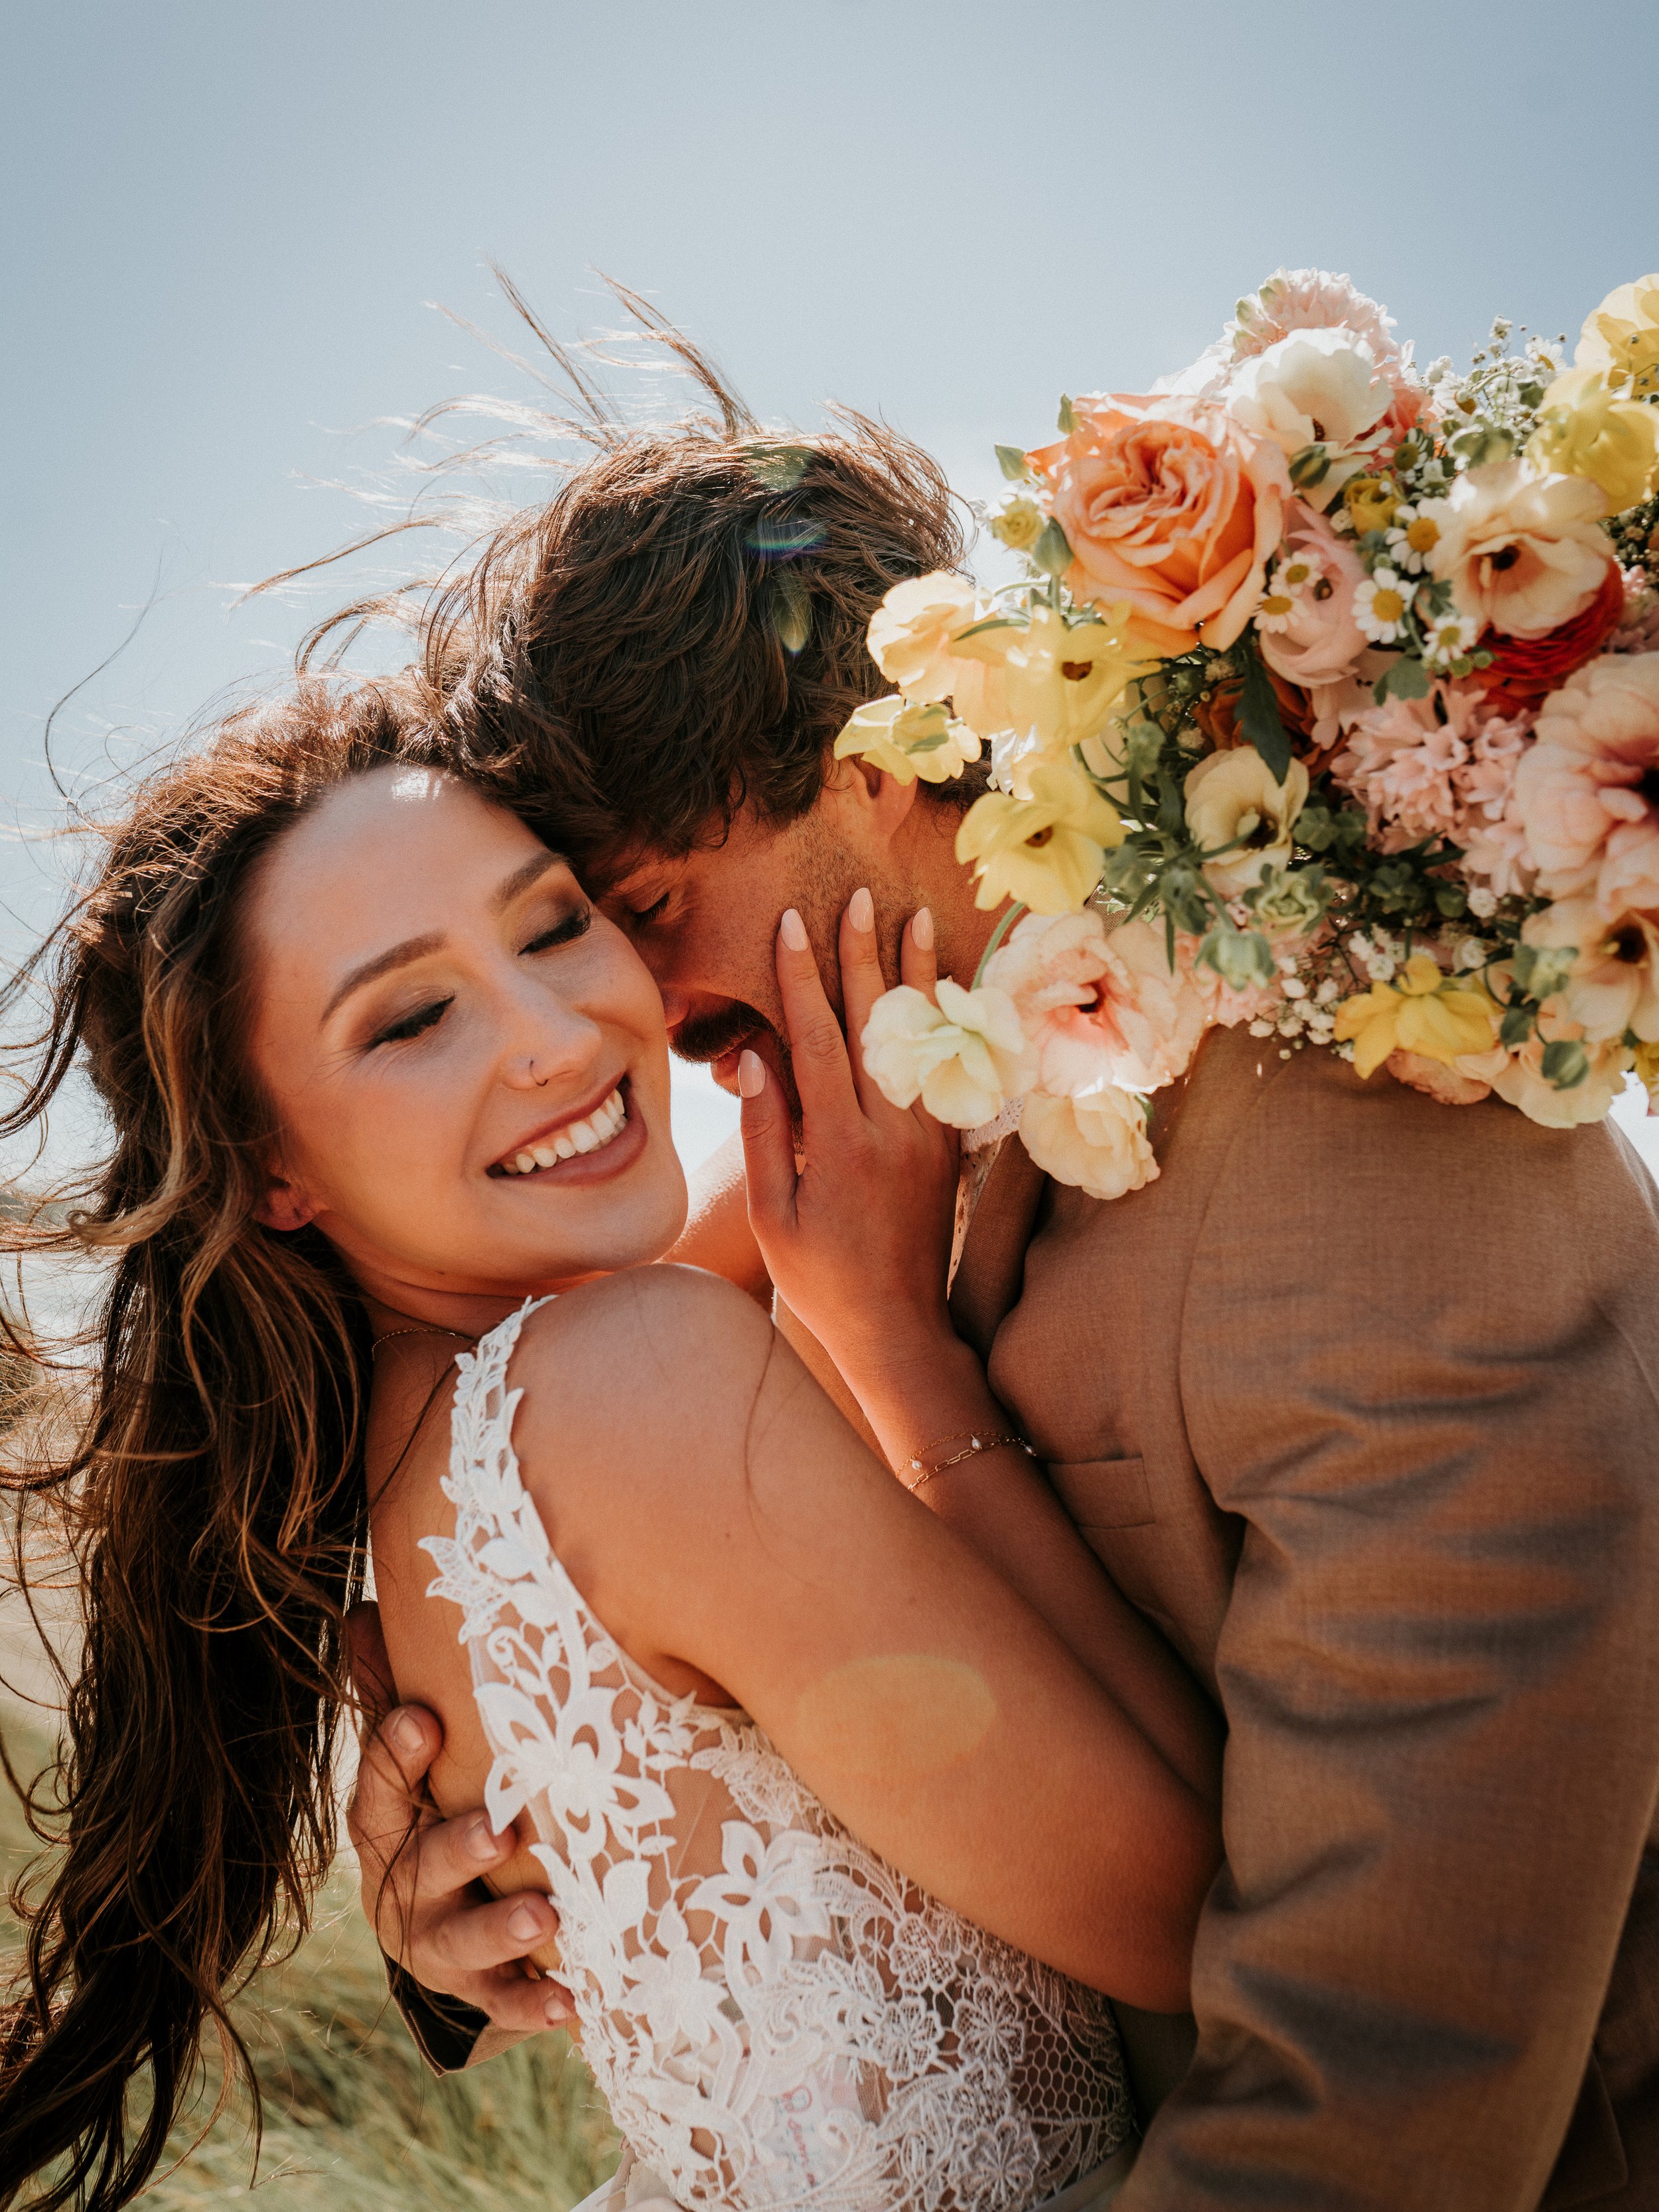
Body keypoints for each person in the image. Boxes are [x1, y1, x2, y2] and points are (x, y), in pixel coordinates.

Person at [356, 392, 1659, 2209]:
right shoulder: (856, 1158)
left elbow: (1377, 2095)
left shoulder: (1378, 1170)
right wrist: (465, 1902)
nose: (632, 1012)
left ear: (879, 767)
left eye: (646, 908)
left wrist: (901, 1370)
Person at [0, 678, 1222, 2212]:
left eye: (555, 923)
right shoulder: (631, 1377)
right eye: (413, 1016)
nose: (555, 1035)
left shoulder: (424, 1461)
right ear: (274, 1164)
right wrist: (898, 1348)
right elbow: (1211, 1923)